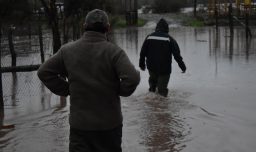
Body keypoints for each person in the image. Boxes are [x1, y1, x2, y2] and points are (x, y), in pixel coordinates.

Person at [37, 9, 140, 152]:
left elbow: (44, 72)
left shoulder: (67, 51)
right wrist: (118, 90)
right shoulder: (114, 52)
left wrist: (67, 89)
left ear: (84, 26)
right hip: (109, 126)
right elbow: (133, 78)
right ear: (108, 28)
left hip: (80, 127)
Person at [139, 18, 186, 97]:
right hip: (164, 69)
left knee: (152, 89)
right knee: (162, 91)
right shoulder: (169, 39)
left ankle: (150, 106)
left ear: (156, 28)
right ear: (166, 28)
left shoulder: (149, 37)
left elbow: (142, 52)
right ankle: (163, 107)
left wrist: (142, 65)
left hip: (151, 67)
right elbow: (177, 55)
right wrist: (183, 67)